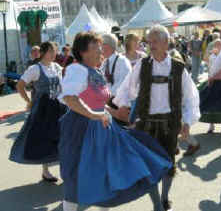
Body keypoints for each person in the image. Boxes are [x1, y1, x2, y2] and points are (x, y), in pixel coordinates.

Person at [58, 31, 172, 211]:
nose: (100, 51)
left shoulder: (95, 70)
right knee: (77, 177)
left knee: (111, 173)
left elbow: (97, 103)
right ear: (83, 52)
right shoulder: (76, 70)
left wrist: (114, 113)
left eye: (100, 46)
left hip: (103, 127)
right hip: (81, 130)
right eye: (95, 47)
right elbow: (70, 98)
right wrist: (94, 115)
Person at [113, 25, 200, 211]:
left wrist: (187, 121)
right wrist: (123, 106)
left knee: (169, 164)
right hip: (146, 124)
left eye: (154, 41)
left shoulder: (179, 68)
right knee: (149, 166)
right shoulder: (142, 66)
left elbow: (190, 96)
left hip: (170, 124)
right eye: (149, 41)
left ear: (166, 42)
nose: (150, 45)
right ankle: (156, 205)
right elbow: (127, 88)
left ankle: (164, 197)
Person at [9, 42, 67, 182]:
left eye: (55, 51)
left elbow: (64, 84)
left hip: (58, 107)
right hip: (43, 109)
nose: (54, 54)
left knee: (62, 137)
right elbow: (20, 85)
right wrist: (28, 101)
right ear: (43, 53)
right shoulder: (35, 69)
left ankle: (65, 169)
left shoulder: (57, 67)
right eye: (51, 51)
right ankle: (45, 171)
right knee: (44, 139)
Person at [200, 39, 221, 135]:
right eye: (215, 45)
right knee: (210, 104)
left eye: (219, 45)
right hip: (213, 82)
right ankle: (211, 126)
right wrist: (210, 77)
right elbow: (207, 64)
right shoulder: (212, 56)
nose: (217, 47)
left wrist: (213, 77)